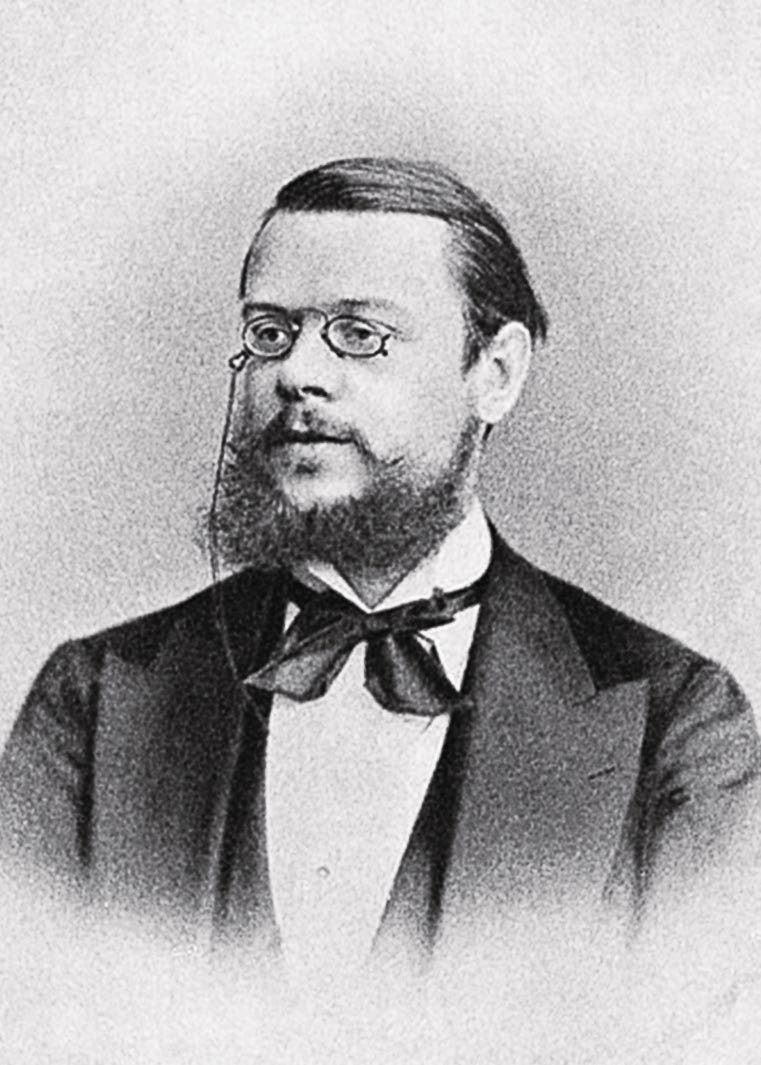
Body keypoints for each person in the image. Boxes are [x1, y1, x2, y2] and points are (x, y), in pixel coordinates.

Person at [0, 157, 758, 987]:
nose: (298, 374)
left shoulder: (674, 722)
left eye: (360, 335)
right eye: (270, 333)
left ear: (495, 373)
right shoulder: (95, 699)